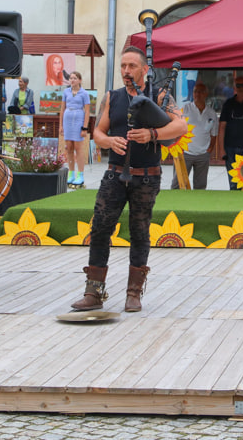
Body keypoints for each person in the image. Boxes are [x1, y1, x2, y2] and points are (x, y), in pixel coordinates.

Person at [71, 46, 186, 313]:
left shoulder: (158, 95)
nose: (125, 71)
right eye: (123, 66)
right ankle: (94, 292)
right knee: (100, 228)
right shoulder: (112, 97)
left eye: (132, 66)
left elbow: (180, 126)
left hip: (146, 177)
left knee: (140, 232)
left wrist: (152, 135)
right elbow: (97, 131)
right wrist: (108, 140)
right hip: (115, 174)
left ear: (145, 70)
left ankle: (133, 293)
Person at [172, 81, 218, 190]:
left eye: (201, 92)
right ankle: (175, 205)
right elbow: (176, 129)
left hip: (203, 155)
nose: (198, 94)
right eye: (195, 91)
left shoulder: (211, 113)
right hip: (185, 153)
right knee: (178, 184)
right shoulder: (184, 109)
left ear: (206, 94)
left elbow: (214, 134)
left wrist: (210, 149)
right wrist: (178, 148)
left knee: (200, 187)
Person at [59, 72, 91, 187]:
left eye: (75, 78)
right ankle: (71, 173)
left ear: (80, 80)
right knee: (69, 148)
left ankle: (80, 174)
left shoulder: (84, 93)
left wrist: (85, 127)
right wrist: (61, 126)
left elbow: (87, 111)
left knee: (78, 148)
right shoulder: (66, 92)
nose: (72, 80)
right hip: (68, 119)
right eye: (71, 78)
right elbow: (62, 109)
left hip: (78, 119)